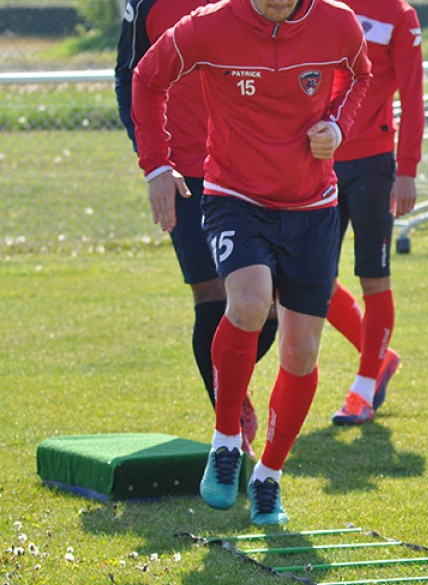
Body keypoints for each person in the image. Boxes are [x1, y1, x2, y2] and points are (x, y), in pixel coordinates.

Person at [131, 0, 371, 525]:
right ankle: (225, 440)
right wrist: (156, 165)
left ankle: (269, 476)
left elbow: (360, 77)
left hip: (313, 208)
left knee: (302, 353)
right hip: (234, 198)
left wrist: (339, 126)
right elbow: (147, 79)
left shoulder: (338, 22)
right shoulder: (207, 27)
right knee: (249, 302)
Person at [114, 0, 279, 460]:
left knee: (271, 306)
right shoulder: (145, 4)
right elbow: (130, 76)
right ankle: (229, 423)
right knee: (211, 292)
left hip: (252, 165)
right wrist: (155, 164)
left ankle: (232, 386)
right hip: (185, 170)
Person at [325, 0, 424, 426]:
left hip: (373, 166)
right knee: (305, 277)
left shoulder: (399, 14)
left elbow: (413, 95)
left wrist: (407, 171)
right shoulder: (316, 6)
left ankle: (363, 389)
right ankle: (381, 357)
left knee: (373, 277)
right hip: (317, 161)